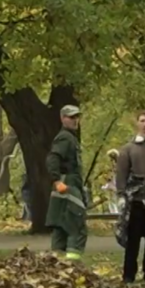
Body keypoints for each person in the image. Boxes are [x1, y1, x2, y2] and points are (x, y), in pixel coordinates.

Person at [114, 110, 145, 282]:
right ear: (137, 123)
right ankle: (129, 275)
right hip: (134, 200)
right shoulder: (128, 149)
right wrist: (120, 195)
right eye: (142, 121)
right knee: (132, 240)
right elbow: (121, 174)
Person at [46, 105, 87, 261]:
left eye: (77, 117)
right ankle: (72, 265)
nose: (75, 120)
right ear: (63, 118)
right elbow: (52, 158)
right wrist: (57, 181)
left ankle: (56, 264)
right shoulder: (65, 137)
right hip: (67, 184)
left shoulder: (70, 137)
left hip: (69, 183)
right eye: (71, 117)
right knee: (77, 225)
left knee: (61, 225)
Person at [100, 149, 120, 214]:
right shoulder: (120, 163)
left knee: (113, 200)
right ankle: (116, 213)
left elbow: (111, 176)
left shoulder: (114, 164)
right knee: (115, 199)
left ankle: (114, 214)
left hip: (114, 184)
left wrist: (108, 178)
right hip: (117, 183)